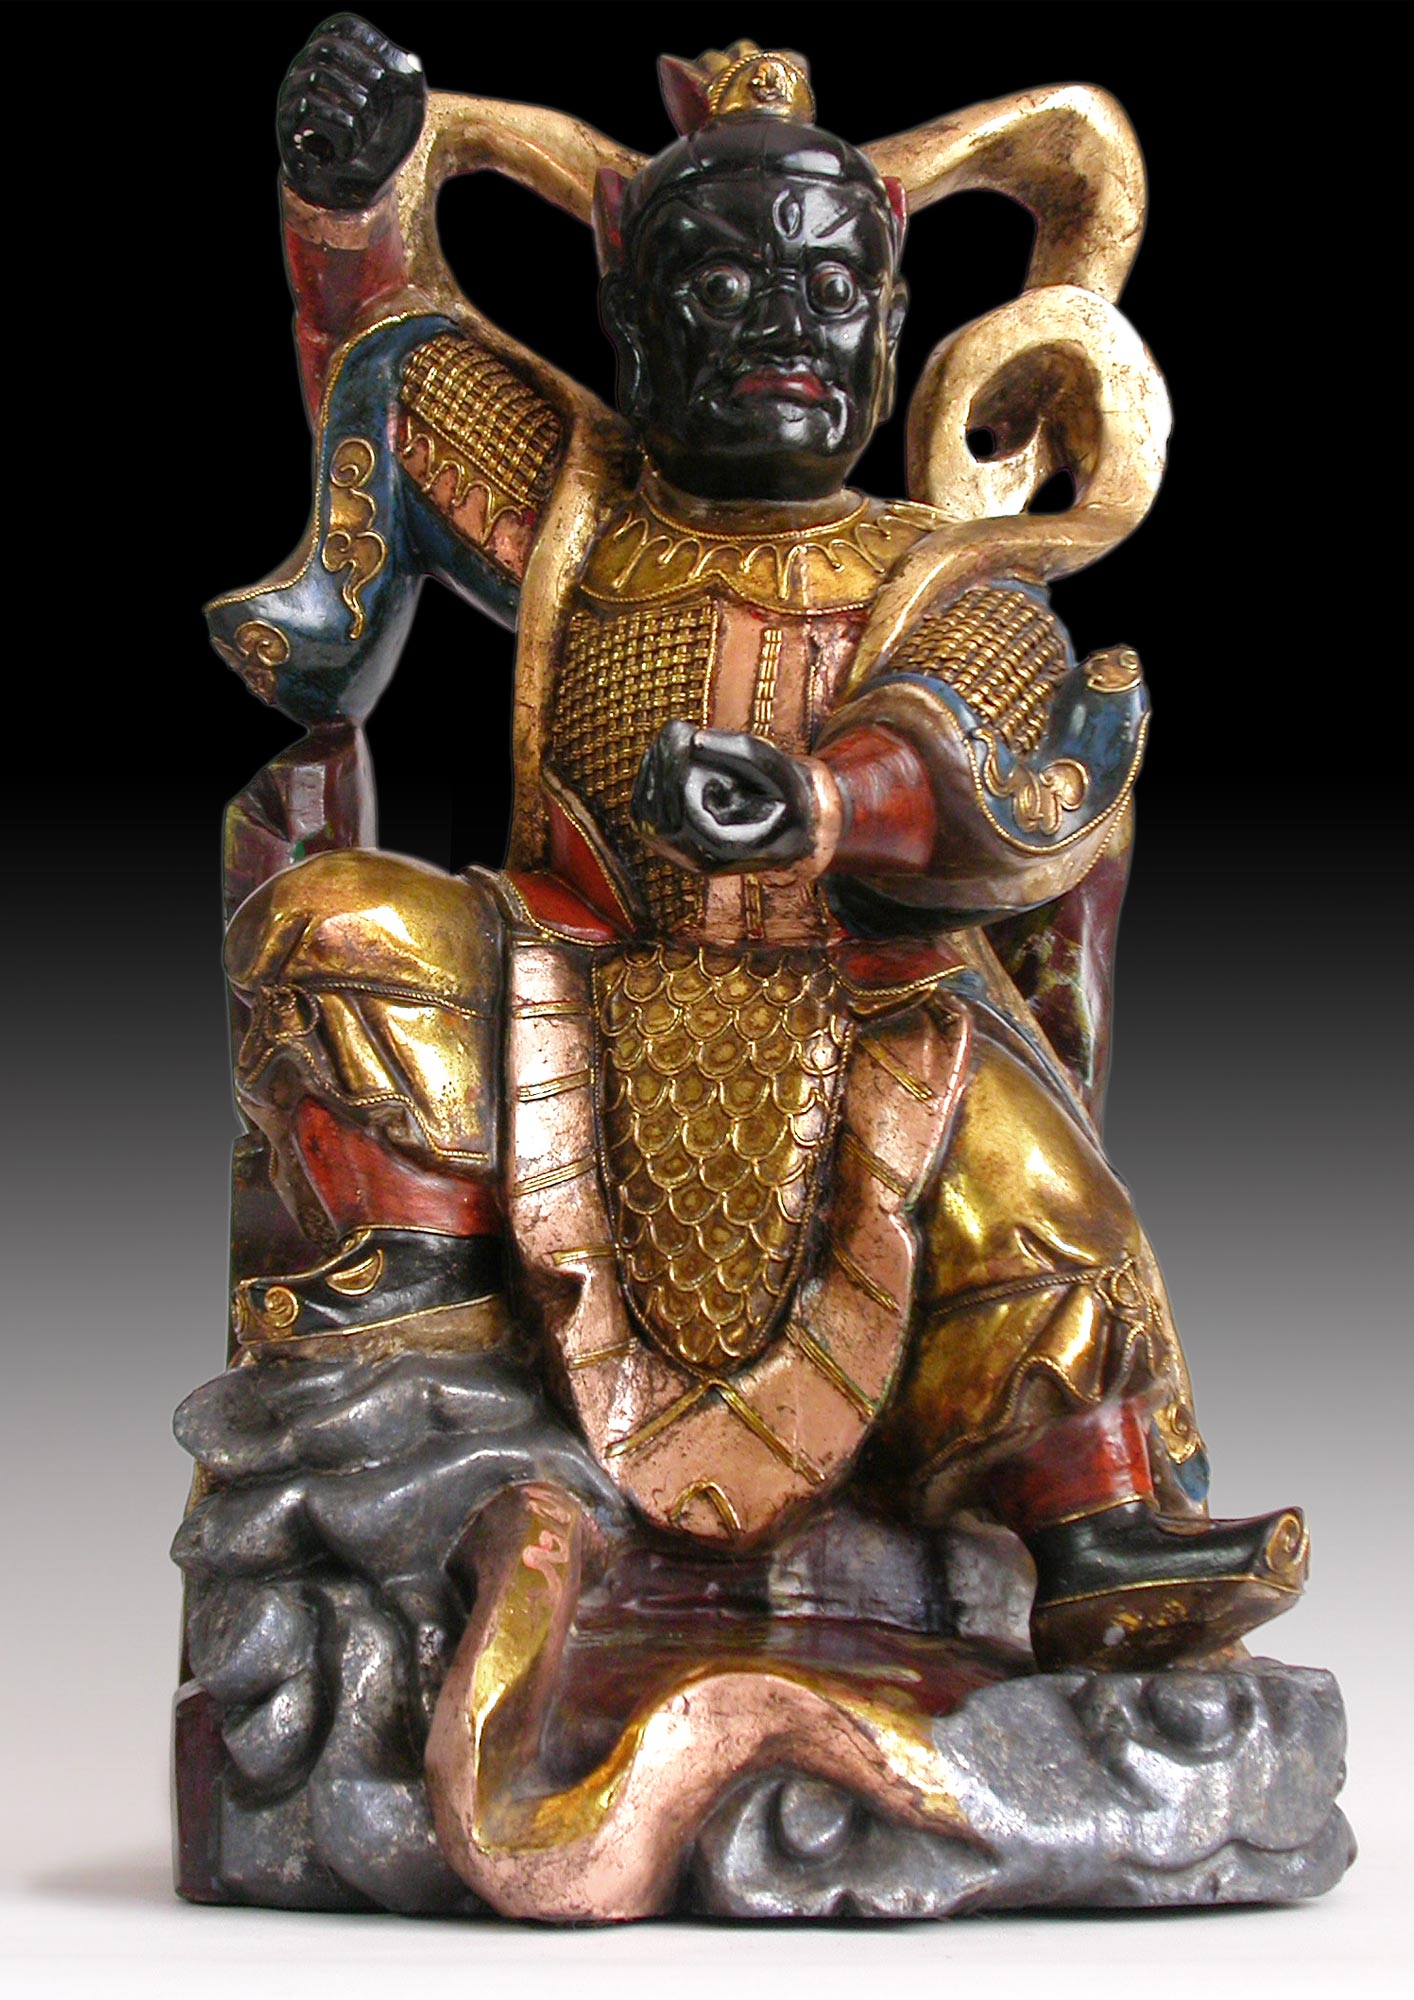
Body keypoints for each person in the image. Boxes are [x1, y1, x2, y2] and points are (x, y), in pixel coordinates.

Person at [213, 16, 1307, 1670]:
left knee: (1034, 1193)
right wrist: (345, 206)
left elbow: (977, 734)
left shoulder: (936, 572)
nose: (785, 323)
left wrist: (825, 804)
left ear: (892, 333)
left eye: (830, 286)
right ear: (630, 323)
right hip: (576, 958)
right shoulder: (581, 506)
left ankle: (1093, 1521)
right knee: (341, 929)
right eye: (724, 283)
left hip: (863, 1002)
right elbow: (400, 362)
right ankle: (413, 1315)